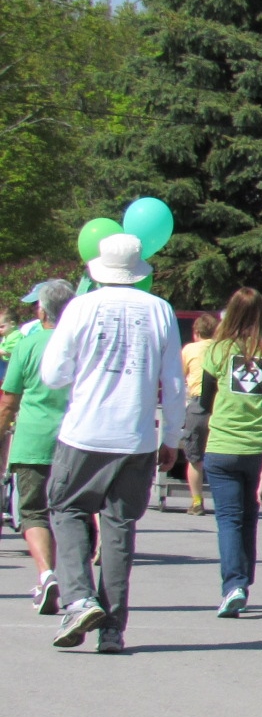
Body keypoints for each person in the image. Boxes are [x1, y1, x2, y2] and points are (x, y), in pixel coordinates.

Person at [40, 234, 186, 653]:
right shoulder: (159, 310)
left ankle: (80, 598)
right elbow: (173, 384)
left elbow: (53, 374)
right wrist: (170, 437)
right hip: (136, 435)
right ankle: (112, 629)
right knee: (120, 525)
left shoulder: (81, 308)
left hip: (85, 430)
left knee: (67, 508)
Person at [200, 288, 262, 618]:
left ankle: (233, 584)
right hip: (260, 447)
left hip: (223, 443)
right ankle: (243, 583)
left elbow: (205, 399)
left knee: (229, 519)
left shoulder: (218, 351)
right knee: (249, 518)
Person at [0, 280, 75, 616]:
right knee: (67, 512)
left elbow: (9, 400)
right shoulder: (81, 344)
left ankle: (46, 574)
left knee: (33, 513)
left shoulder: (27, 345)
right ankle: (65, 579)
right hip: (76, 440)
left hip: (33, 439)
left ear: (42, 310)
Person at [179, 312, 217, 513]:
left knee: (194, 457)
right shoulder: (222, 348)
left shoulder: (190, 349)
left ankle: (196, 501)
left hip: (197, 403)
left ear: (196, 332)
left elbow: (180, 374)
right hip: (219, 403)